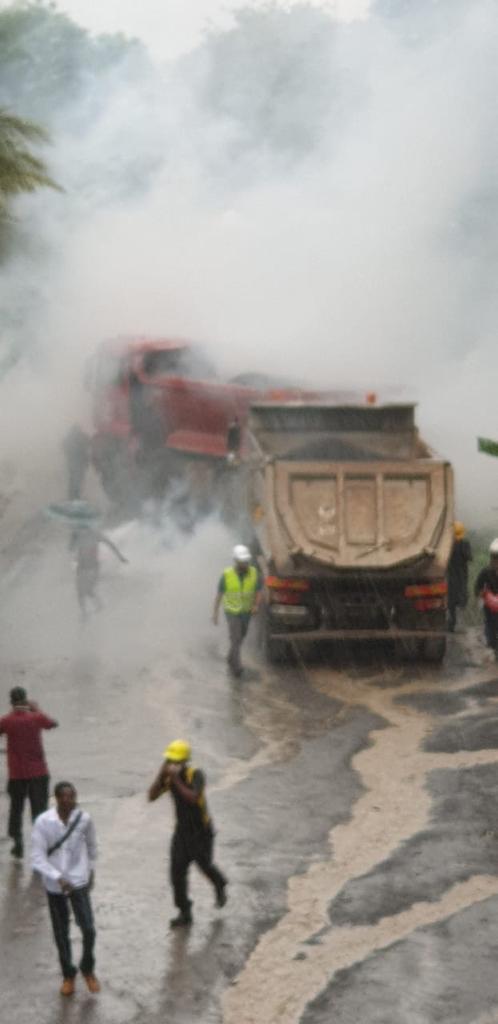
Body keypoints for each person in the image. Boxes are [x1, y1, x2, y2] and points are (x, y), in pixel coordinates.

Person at [148, 739, 227, 929]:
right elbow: (151, 796)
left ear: (185, 761)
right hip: (182, 833)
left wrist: (175, 779)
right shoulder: (168, 778)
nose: (172, 765)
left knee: (204, 865)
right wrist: (161, 775)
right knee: (176, 874)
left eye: (176, 761)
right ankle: (184, 911)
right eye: (169, 761)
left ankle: (219, 883)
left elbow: (193, 798)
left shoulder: (195, 774)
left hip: (201, 832)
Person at [31, 781, 99, 997]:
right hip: (55, 885)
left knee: (88, 929)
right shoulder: (43, 822)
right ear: (56, 799)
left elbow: (92, 846)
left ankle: (87, 968)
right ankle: (68, 975)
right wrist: (58, 878)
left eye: (72, 796)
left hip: (78, 881)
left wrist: (91, 870)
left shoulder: (84, 819)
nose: (68, 801)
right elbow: (37, 857)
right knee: (61, 933)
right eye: (64, 797)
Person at [0, 687, 57, 858]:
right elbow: (52, 724)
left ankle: (17, 842)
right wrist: (36, 709)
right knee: (39, 809)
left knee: (16, 809)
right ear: (25, 700)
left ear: (11, 701)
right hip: (38, 772)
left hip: (17, 774)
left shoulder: (6, 721)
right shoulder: (36, 718)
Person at [212, 544, 263, 676]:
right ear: (235, 561)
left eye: (246, 561)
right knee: (236, 638)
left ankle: (231, 657)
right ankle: (237, 667)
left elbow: (258, 591)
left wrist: (256, 605)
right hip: (232, 612)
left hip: (246, 612)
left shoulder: (253, 573)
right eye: (242, 562)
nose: (245, 564)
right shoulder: (227, 575)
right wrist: (215, 613)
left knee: (241, 637)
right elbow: (219, 595)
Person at [73, 525, 127, 617]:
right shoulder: (78, 535)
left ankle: (97, 606)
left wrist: (120, 557)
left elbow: (110, 545)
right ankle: (84, 612)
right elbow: (75, 551)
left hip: (93, 567)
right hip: (81, 567)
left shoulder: (95, 535)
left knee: (88, 590)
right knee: (80, 592)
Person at [447, 521, 472, 632]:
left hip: (451, 578)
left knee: (451, 602)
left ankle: (451, 625)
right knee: (461, 601)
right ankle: (460, 626)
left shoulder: (448, 545)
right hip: (461, 577)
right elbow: (469, 557)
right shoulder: (465, 543)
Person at [475, 538, 498, 657]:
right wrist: (482, 594)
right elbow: (477, 587)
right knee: (491, 626)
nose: (495, 561)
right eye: (494, 557)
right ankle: (493, 647)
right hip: (490, 606)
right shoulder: (485, 572)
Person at [63, 426, 90, 500]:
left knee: (73, 479)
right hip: (80, 462)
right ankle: (76, 495)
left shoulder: (69, 437)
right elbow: (88, 444)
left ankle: (72, 495)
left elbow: (64, 447)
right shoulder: (83, 437)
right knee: (79, 479)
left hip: (73, 462)